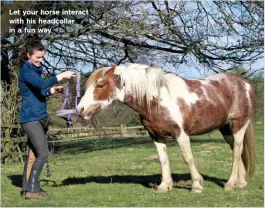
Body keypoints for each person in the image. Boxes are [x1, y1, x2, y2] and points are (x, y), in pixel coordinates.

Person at [18, 38, 76, 200]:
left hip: (41, 117)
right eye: (38, 57)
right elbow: (40, 84)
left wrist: (52, 91)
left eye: (42, 57)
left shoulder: (35, 69)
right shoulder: (26, 71)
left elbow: (40, 91)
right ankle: (32, 190)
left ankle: (27, 188)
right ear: (29, 55)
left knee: (33, 155)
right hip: (30, 119)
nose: (40, 60)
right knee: (43, 154)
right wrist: (61, 76)